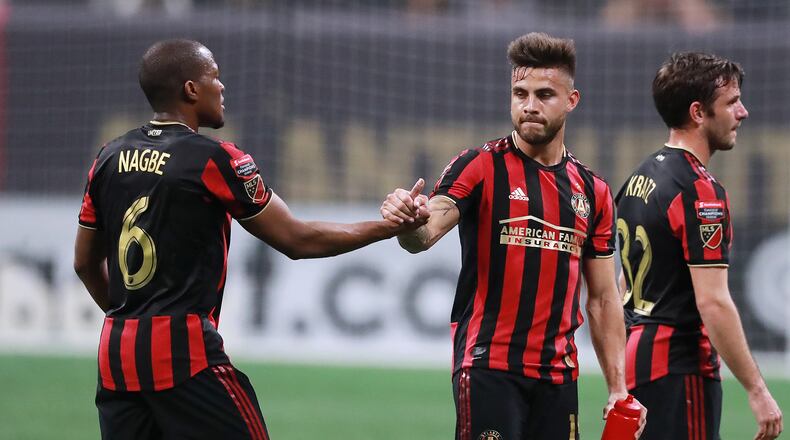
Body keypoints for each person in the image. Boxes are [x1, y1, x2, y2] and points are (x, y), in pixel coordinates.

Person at [73, 39, 427, 440]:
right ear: (191, 90)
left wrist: (130, 320)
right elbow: (297, 239)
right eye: (215, 78)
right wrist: (388, 227)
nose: (222, 88)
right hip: (183, 354)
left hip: (116, 354)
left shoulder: (107, 157)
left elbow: (84, 263)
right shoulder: (215, 160)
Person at [381, 32, 643, 440]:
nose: (530, 105)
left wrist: (618, 388)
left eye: (544, 94)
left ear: (572, 101)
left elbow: (604, 297)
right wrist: (409, 221)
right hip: (488, 366)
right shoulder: (480, 166)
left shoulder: (594, 191)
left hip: (558, 377)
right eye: (520, 93)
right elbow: (426, 233)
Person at [614, 52, 783, 440]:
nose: (742, 112)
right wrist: (757, 390)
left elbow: (623, 284)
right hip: (678, 366)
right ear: (698, 112)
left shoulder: (640, 176)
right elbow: (714, 302)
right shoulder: (700, 191)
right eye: (731, 102)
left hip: (638, 360)